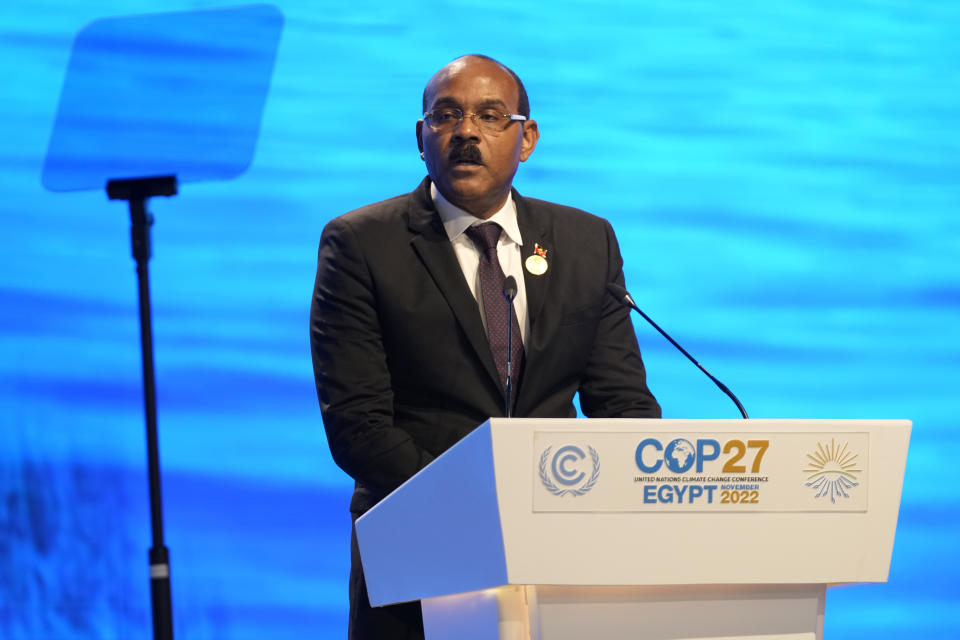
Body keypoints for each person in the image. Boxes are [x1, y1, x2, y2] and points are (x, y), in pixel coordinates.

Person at [309, 54, 661, 640]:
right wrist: (482, 517)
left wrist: (635, 490)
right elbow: (358, 426)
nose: (466, 132)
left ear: (526, 139)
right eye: (445, 116)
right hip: (418, 549)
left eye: (490, 116)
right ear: (421, 138)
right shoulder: (361, 244)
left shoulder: (584, 240)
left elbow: (622, 404)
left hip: (564, 553)